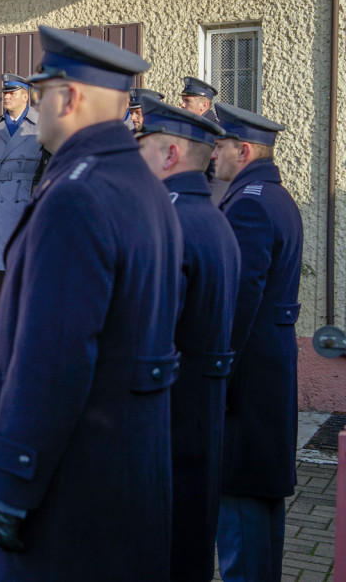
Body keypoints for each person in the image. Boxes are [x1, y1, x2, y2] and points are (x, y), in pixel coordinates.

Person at [0, 26, 182, 581]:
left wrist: (13, 480)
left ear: (71, 96)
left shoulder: (76, 194)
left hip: (67, 484)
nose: (36, 104)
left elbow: (52, 358)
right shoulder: (143, 185)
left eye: (42, 92)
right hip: (123, 472)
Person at [136, 96, 241, 582]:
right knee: (193, 543)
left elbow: (145, 335)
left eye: (145, 148)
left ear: (171, 155)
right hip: (203, 410)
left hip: (169, 418)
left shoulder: (168, 224)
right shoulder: (215, 218)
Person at [212, 102, 303, 582]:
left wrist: (215, 370)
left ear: (243, 150)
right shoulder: (274, 195)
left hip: (246, 374)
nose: (214, 154)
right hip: (268, 368)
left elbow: (238, 299)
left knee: (242, 492)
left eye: (221, 145)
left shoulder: (248, 202)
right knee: (263, 496)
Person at [0, 74, 43, 273]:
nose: (6, 97)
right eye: (5, 94)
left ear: (25, 97)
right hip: (2, 199)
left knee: (29, 263)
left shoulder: (41, 124)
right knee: (7, 266)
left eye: (12, 93)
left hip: (27, 197)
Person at [180, 76, 227, 202]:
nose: (182, 104)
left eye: (187, 101)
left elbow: (218, 181)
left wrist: (204, 208)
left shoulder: (215, 133)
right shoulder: (191, 129)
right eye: (182, 100)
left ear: (204, 105)